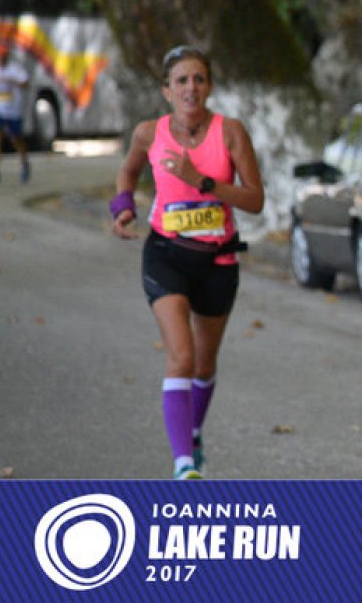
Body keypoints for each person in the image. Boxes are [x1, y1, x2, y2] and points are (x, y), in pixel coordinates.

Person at [110, 46, 264, 479]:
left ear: (209, 87)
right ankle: (183, 465)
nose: (190, 88)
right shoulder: (148, 133)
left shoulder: (230, 132)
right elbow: (127, 172)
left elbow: (255, 199)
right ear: (166, 90)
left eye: (199, 79)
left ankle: (192, 433)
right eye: (181, 80)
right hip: (166, 255)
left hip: (218, 259)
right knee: (181, 356)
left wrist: (203, 182)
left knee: (204, 365)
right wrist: (123, 206)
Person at [0, 43, 29, 183]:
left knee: (15, 138)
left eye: (3, 56)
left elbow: (26, 84)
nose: (1, 58)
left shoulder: (15, 69)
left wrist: (12, 81)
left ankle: (24, 162)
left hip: (12, 109)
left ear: (7, 56)